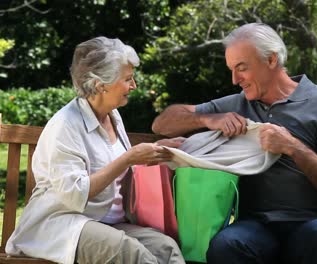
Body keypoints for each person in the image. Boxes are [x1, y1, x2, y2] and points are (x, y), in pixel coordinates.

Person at [151, 23, 317, 263]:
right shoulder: (236, 105)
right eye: (231, 69)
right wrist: (209, 118)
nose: (235, 79)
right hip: (254, 225)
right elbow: (162, 124)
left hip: (310, 221)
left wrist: (291, 146)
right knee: (225, 245)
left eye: (241, 68)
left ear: (271, 60)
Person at [6, 37, 186, 264]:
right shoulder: (65, 125)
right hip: (62, 224)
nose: (134, 86)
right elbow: (74, 195)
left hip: (107, 222)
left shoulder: (112, 116)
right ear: (101, 85)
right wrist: (129, 158)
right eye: (128, 79)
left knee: (166, 248)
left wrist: (158, 149)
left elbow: (120, 162)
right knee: (131, 253)